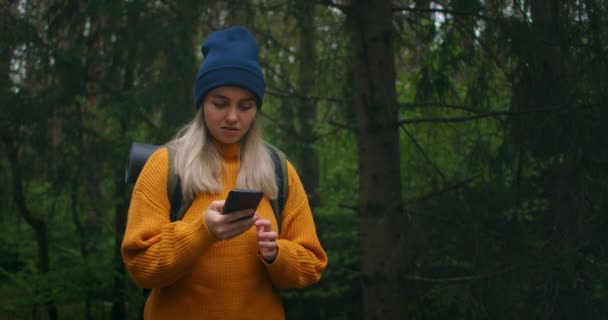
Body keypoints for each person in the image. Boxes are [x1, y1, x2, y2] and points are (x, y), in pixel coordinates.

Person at [121, 26, 328, 320]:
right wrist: (203, 231)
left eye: (246, 106)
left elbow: (311, 265)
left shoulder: (278, 170)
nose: (233, 117)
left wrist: (275, 254)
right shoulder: (165, 166)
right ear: (202, 103)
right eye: (220, 103)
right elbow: (141, 268)